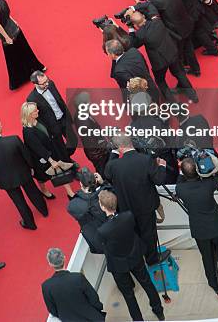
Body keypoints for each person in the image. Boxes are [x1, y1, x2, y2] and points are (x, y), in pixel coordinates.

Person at [97, 190, 165, 321]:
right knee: (147, 283)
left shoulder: (102, 230)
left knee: (129, 295)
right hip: (135, 256)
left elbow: (102, 245)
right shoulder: (128, 216)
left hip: (118, 264)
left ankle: (138, 319)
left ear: (103, 207)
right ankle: (159, 310)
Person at [104, 133, 168, 266]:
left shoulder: (114, 165)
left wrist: (115, 152)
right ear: (132, 143)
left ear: (119, 147)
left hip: (126, 208)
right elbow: (159, 180)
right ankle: (152, 259)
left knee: (134, 235)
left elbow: (107, 173)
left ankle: (140, 259)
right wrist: (162, 166)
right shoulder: (145, 160)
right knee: (149, 234)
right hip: (146, 207)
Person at [176, 158, 218, 294]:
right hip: (217, 226)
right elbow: (217, 178)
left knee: (207, 259)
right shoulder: (208, 184)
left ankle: (215, 286)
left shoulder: (180, 189)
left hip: (200, 230)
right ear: (197, 170)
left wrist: (181, 171)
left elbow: (180, 180)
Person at [0, 118, 49, 229]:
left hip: (6, 181)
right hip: (24, 173)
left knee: (19, 202)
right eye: (0, 125)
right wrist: (31, 167)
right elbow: (26, 155)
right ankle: (44, 211)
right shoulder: (14, 140)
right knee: (34, 193)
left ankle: (30, 224)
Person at [135, 0, 201, 89]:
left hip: (176, 33)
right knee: (189, 47)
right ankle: (196, 69)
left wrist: (138, 5)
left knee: (178, 57)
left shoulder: (156, 1)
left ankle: (182, 84)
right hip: (186, 23)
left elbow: (149, 13)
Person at [125, 9, 198, 102]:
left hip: (159, 62)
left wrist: (131, 29)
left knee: (161, 82)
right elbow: (150, 8)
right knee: (180, 74)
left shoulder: (140, 34)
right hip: (172, 53)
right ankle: (193, 96)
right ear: (143, 16)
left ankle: (172, 104)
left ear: (135, 25)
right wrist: (134, 9)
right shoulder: (157, 21)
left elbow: (133, 44)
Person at [21, 101, 75, 200]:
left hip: (51, 150)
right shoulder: (28, 131)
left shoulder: (38, 119)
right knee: (42, 177)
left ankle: (70, 193)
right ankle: (44, 190)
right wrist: (50, 160)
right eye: (35, 110)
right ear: (29, 114)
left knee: (59, 170)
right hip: (41, 157)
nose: (38, 111)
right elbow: (38, 148)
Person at [42, 248, 105, 322]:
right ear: (64, 258)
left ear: (50, 264)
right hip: (91, 318)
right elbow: (93, 298)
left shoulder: (46, 286)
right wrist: (98, 308)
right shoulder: (78, 278)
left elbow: (52, 310)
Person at [27, 69, 78, 159]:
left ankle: (66, 155)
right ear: (35, 84)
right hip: (52, 126)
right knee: (60, 148)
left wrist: (68, 116)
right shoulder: (32, 99)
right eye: (43, 83)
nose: (47, 84)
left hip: (63, 118)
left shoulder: (51, 84)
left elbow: (59, 100)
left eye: (47, 80)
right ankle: (67, 161)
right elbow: (38, 117)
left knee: (74, 141)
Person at [67, 167, 107, 253]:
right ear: (96, 180)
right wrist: (103, 183)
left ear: (81, 184)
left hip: (98, 240)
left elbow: (71, 208)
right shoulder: (106, 192)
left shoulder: (75, 205)